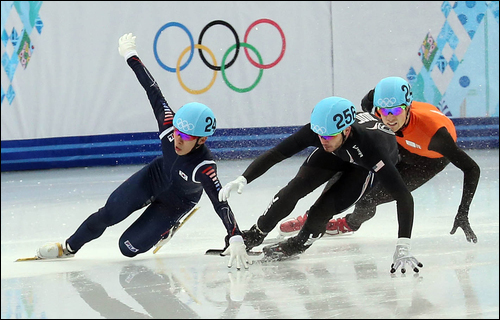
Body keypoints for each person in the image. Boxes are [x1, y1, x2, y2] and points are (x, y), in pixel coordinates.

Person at [35, 33, 250, 270]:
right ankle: (69, 247)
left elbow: (220, 203)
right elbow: (152, 89)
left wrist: (235, 235)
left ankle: (167, 228)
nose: (178, 139)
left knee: (126, 247)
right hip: (155, 176)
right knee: (109, 212)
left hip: (177, 201)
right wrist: (131, 55)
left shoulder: (204, 167)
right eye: (178, 132)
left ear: (202, 140)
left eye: (187, 137)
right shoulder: (169, 124)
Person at [219, 96, 422, 273]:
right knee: (294, 188)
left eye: (328, 136)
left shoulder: (372, 148)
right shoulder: (321, 130)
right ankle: (257, 233)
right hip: (338, 152)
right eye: (319, 135)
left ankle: (298, 245)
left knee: (320, 212)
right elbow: (277, 153)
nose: (322, 140)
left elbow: (404, 196)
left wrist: (403, 245)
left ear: (346, 130)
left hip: (364, 165)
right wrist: (244, 178)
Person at [279, 76, 480, 244]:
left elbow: (472, 168)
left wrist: (463, 212)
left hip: (427, 160)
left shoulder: (436, 136)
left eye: (395, 111)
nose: (389, 118)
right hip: (400, 143)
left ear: (408, 107)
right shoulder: (372, 105)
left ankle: (350, 223)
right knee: (351, 166)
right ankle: (315, 214)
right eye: (383, 111)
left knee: (370, 197)